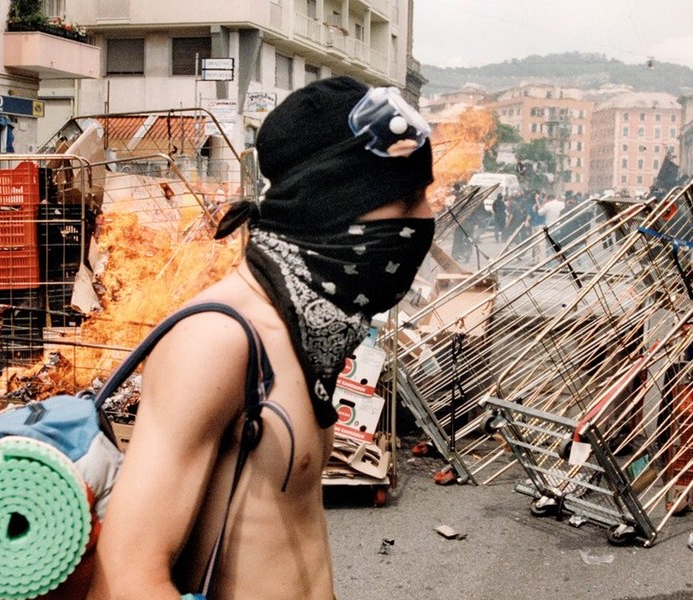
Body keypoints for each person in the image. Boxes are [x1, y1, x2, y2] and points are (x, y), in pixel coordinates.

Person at [88, 76, 435, 600]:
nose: (425, 219)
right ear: (332, 202)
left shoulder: (300, 331)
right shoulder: (218, 339)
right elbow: (128, 576)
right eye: (407, 199)